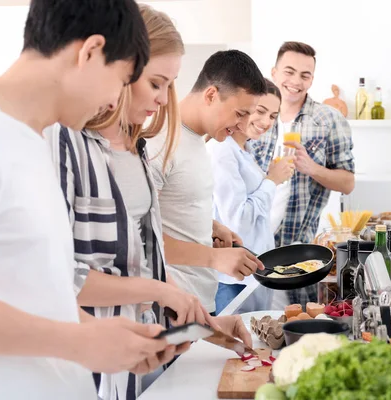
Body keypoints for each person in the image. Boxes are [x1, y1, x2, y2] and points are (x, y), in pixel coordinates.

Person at [0, 1, 177, 399]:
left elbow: (34, 292)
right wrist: (78, 343)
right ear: (90, 51)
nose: (116, 102)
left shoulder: (31, 141)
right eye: (120, 79)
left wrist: (102, 337)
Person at [45, 6, 252, 399]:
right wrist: (161, 293)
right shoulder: (65, 142)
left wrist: (207, 325)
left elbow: (148, 263)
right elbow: (62, 280)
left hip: (132, 368)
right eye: (156, 82)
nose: (162, 99)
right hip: (83, 371)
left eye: (169, 85)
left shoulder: (137, 149)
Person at [147, 50, 268, 316]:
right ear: (211, 95)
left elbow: (169, 208)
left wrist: (211, 227)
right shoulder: (158, 144)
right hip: (171, 310)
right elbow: (143, 239)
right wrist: (214, 258)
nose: (243, 125)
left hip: (200, 306)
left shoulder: (197, 140)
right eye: (240, 113)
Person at [250, 42, 356, 307]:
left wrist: (311, 168)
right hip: (249, 250)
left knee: (292, 333)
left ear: (312, 79)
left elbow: (348, 183)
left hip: (296, 253)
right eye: (289, 71)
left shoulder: (330, 120)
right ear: (274, 73)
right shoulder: (253, 114)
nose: (296, 81)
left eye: (305, 75)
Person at [207, 79, 294, 314]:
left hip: (253, 272)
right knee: (235, 346)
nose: (266, 122)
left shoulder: (246, 149)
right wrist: (271, 181)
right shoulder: (222, 150)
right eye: (261, 111)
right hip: (233, 279)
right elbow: (238, 220)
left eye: (273, 116)